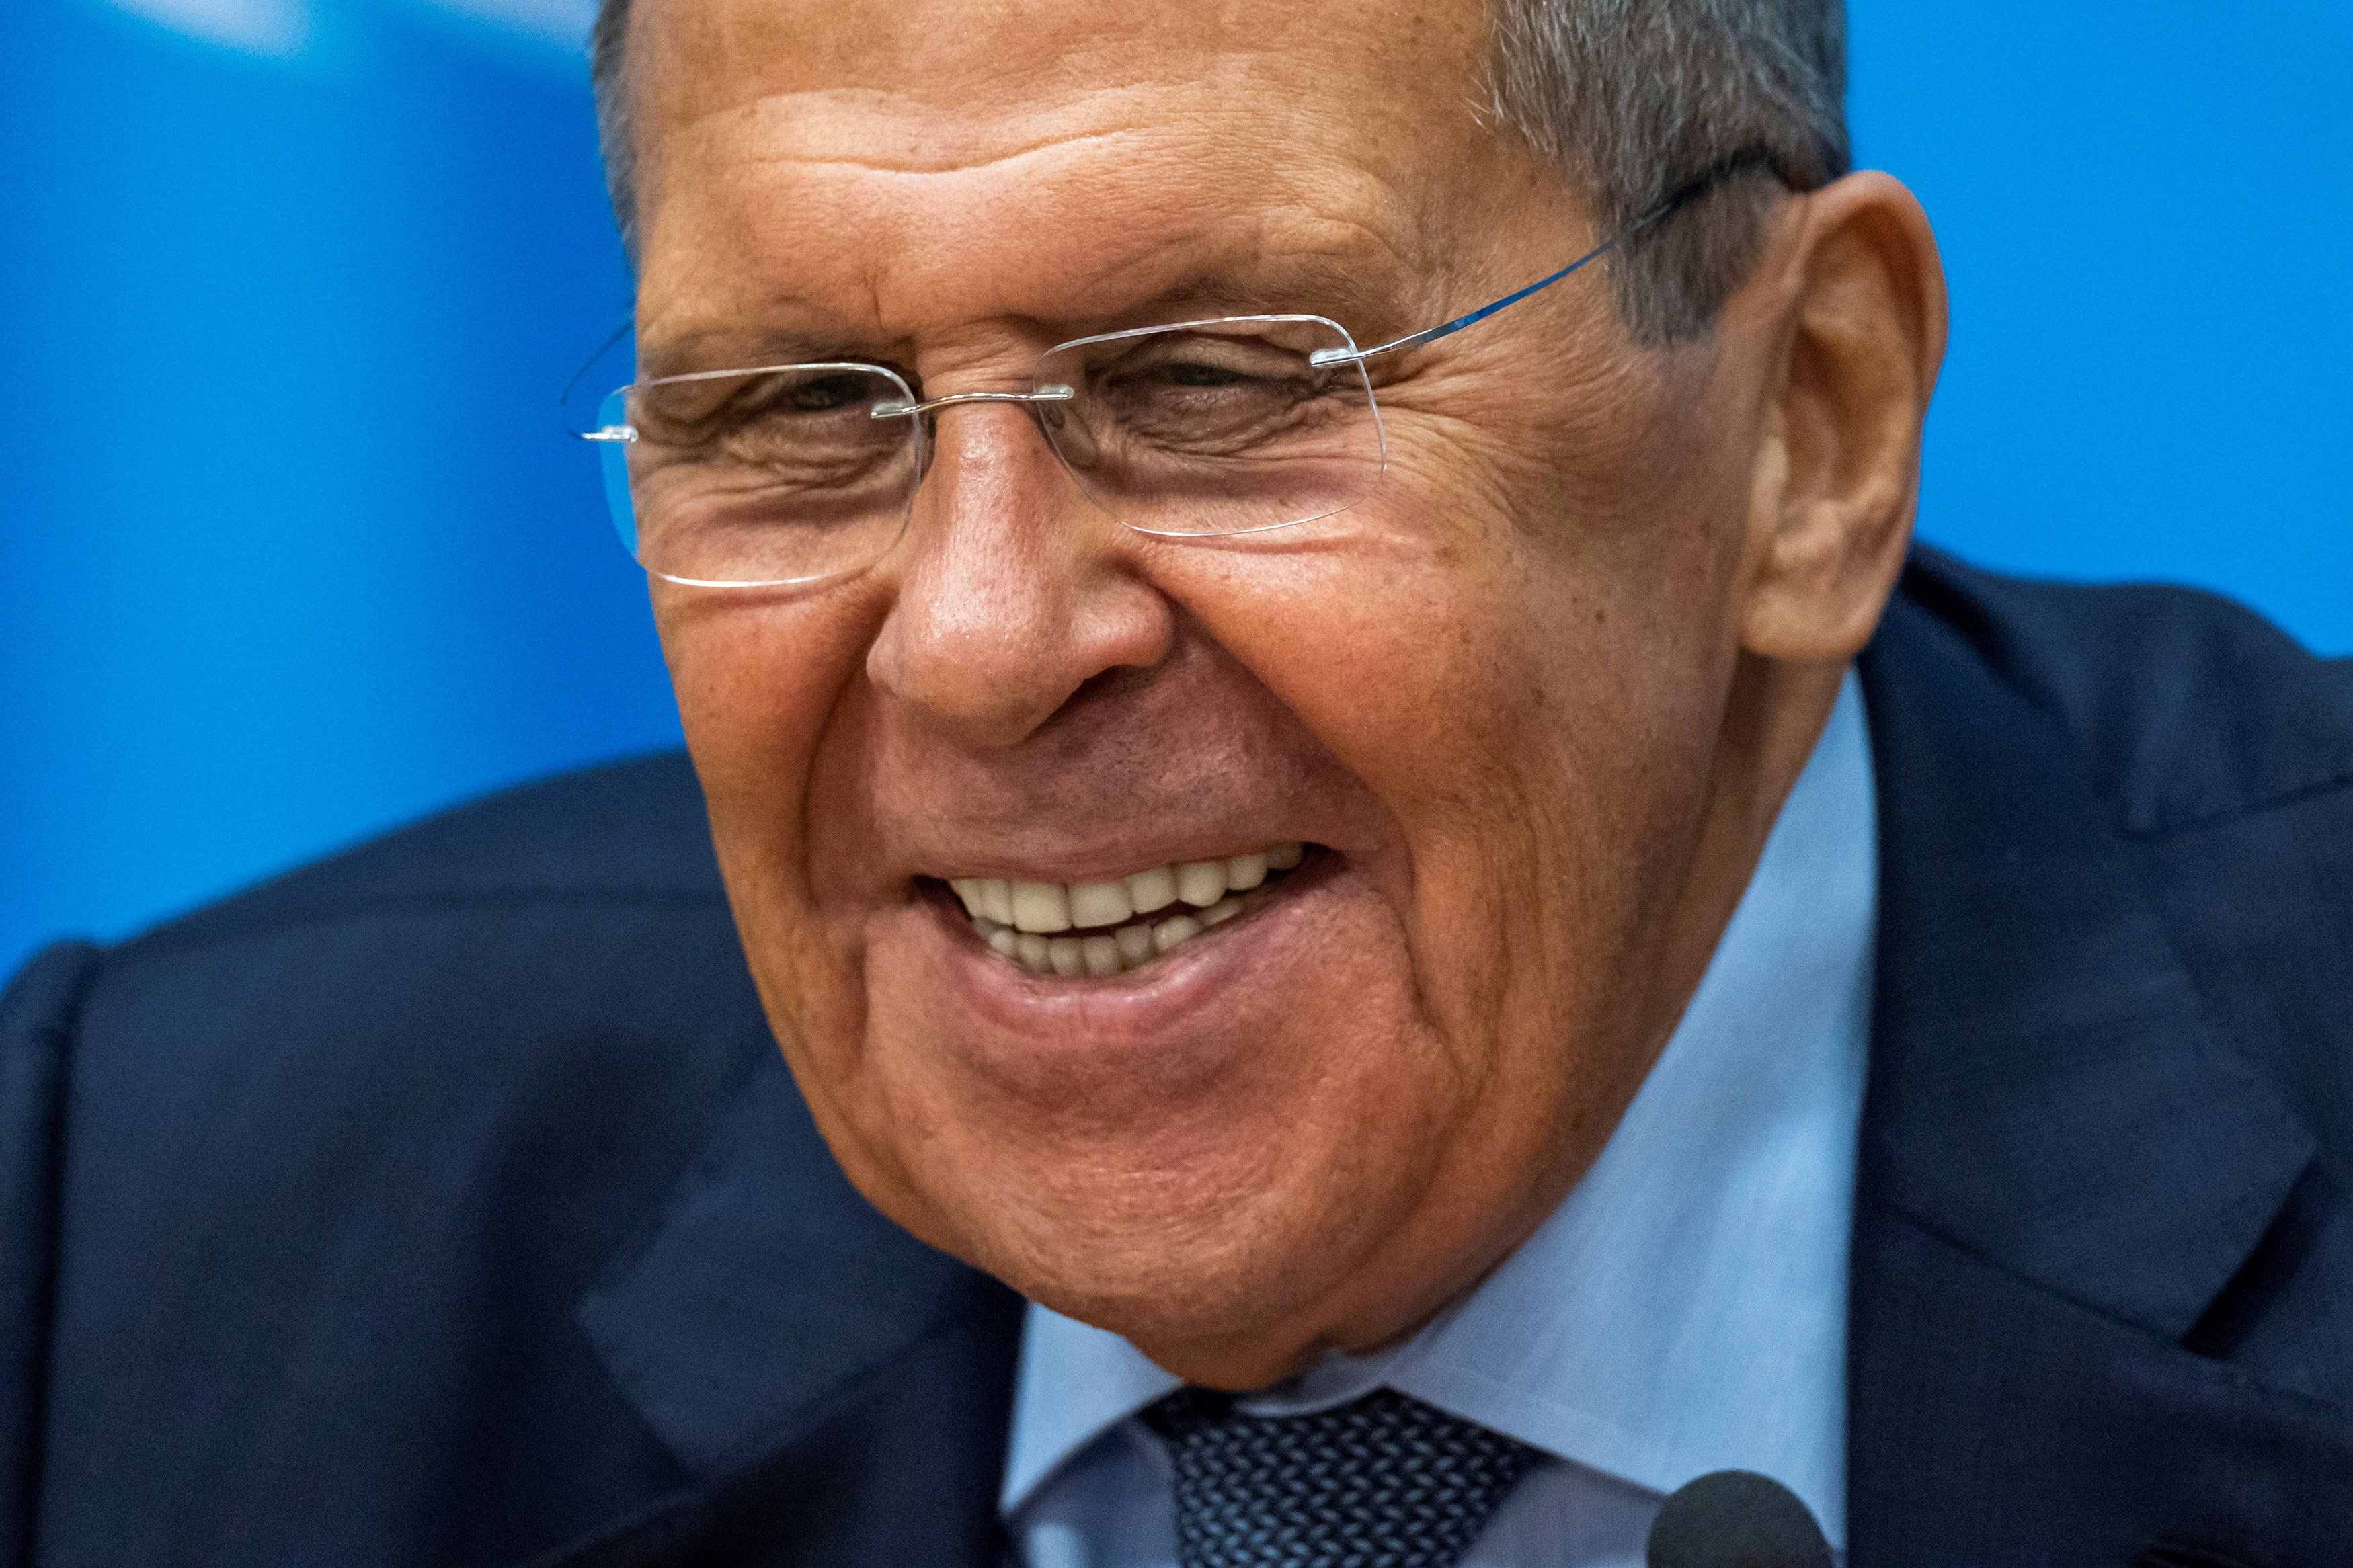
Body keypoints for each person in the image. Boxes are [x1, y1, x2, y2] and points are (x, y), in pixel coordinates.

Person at [3, 0, 2348, 1562]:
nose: (986, 642)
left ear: (1805, 434)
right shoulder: (147, 1244)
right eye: (803, 413)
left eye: (1223, 379)